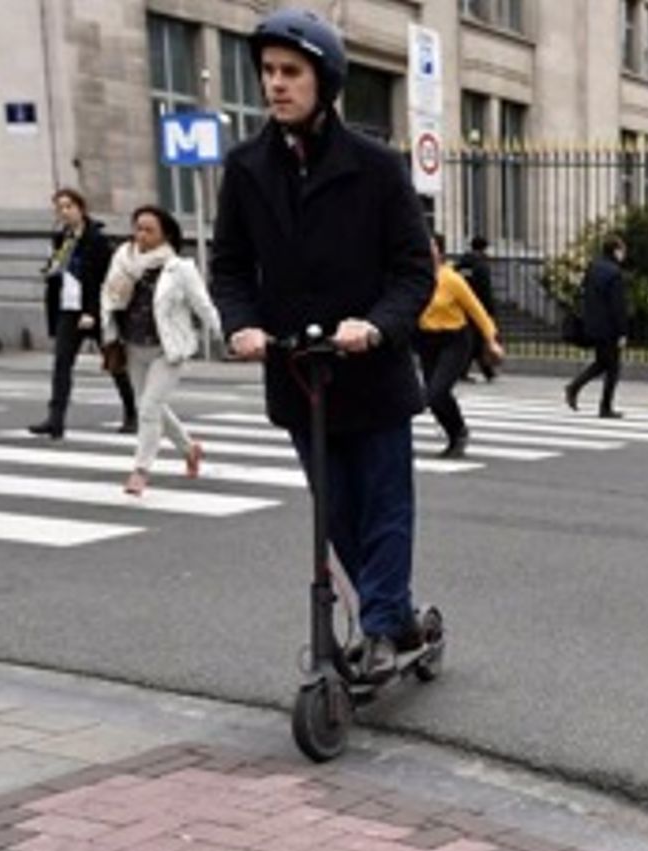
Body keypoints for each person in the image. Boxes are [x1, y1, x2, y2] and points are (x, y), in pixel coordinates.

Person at [211, 6, 436, 671]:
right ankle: (390, 618)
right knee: (335, 514)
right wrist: (241, 323)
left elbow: (413, 271)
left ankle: (381, 627)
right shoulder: (247, 167)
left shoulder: (375, 166)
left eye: (291, 72)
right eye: (268, 72)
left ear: (324, 80)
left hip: (370, 373)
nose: (276, 84)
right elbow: (229, 266)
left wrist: (377, 325)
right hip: (298, 373)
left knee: (385, 508)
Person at [101, 205, 223, 497]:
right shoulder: (122, 259)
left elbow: (202, 305)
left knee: (148, 408)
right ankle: (190, 449)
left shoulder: (180, 268)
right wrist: (107, 333)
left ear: (164, 234)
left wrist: (225, 335)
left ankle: (140, 471)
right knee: (150, 405)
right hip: (132, 345)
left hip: (167, 351)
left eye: (148, 230)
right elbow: (108, 295)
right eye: (137, 228)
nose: (140, 235)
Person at [29, 188, 137, 440]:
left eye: (69, 206)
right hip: (68, 308)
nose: (64, 212)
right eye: (60, 208)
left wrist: (92, 311)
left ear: (81, 208)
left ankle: (132, 413)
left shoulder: (97, 239)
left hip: (94, 310)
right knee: (61, 365)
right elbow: (59, 269)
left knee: (114, 363)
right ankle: (55, 420)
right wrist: (50, 272)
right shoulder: (61, 239)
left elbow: (104, 279)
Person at [417, 233, 504, 459]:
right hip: (427, 342)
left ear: (441, 251)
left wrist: (491, 340)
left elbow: (477, 311)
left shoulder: (452, 279)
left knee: (436, 391)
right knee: (435, 394)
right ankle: (455, 433)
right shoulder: (415, 278)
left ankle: (459, 432)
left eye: (431, 246)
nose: (426, 251)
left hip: (454, 340)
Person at [565, 233, 628, 418]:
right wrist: (622, 331)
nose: (623, 254)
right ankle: (605, 407)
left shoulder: (593, 268)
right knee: (613, 368)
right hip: (609, 328)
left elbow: (585, 293)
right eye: (622, 250)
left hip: (593, 324)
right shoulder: (615, 273)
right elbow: (618, 306)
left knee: (602, 363)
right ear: (616, 251)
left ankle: (574, 387)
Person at [451, 235, 499, 381]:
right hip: (476, 307)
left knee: (474, 340)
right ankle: (483, 371)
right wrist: (490, 310)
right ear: (484, 248)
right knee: (476, 340)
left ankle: (486, 371)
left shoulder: (460, 264)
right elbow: (485, 290)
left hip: (460, 306)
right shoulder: (481, 265)